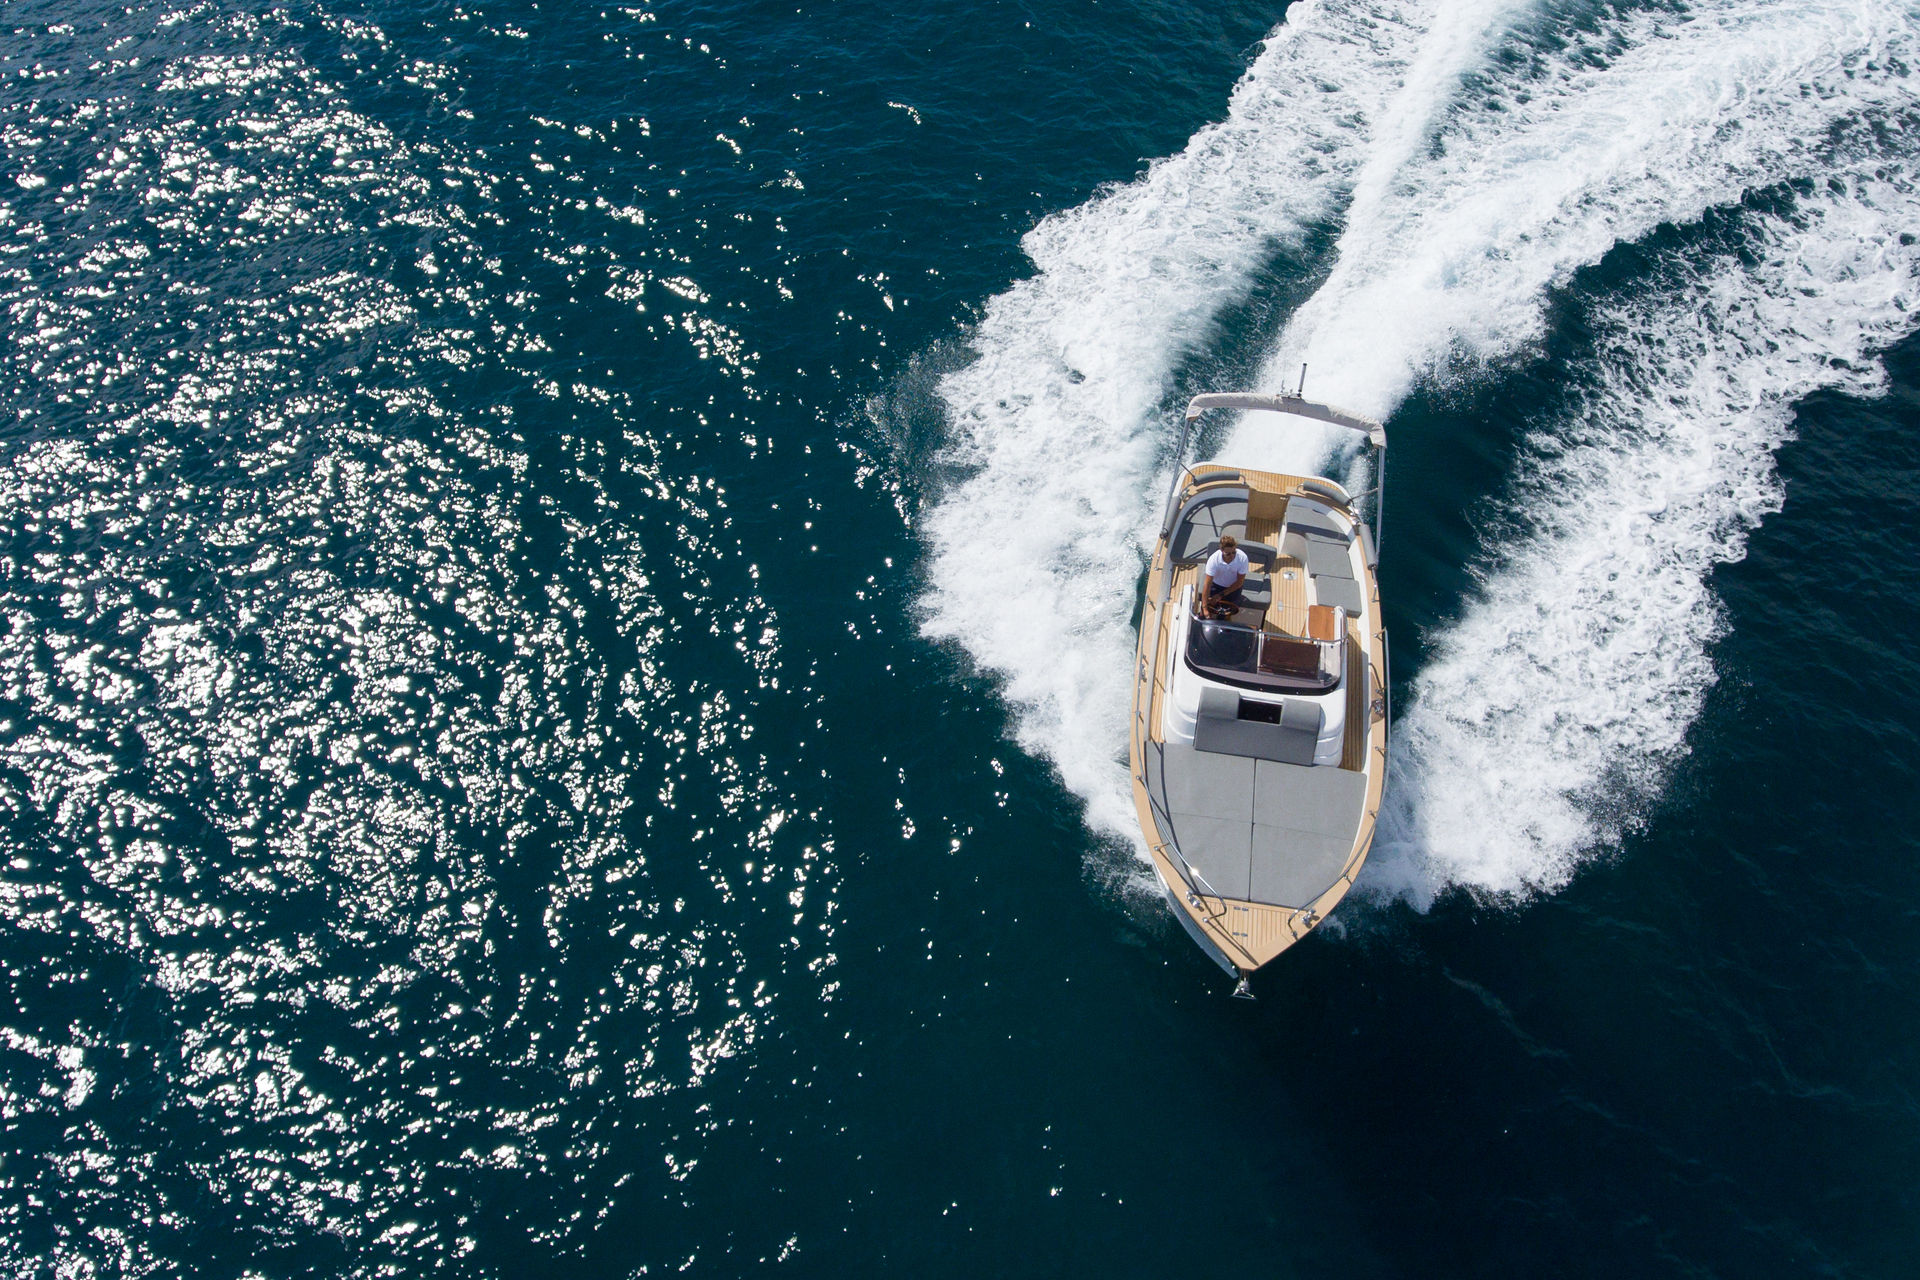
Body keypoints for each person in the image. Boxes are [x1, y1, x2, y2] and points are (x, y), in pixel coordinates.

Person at [1200, 534, 1249, 619]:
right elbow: (1207, 584)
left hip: (1234, 587)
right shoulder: (1213, 560)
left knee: (1224, 614)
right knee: (1205, 612)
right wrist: (1204, 609)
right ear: (1221, 550)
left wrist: (1221, 595)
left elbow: (1239, 582)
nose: (1232, 556)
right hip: (1215, 586)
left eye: (1234, 552)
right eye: (1228, 554)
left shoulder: (1242, 558)